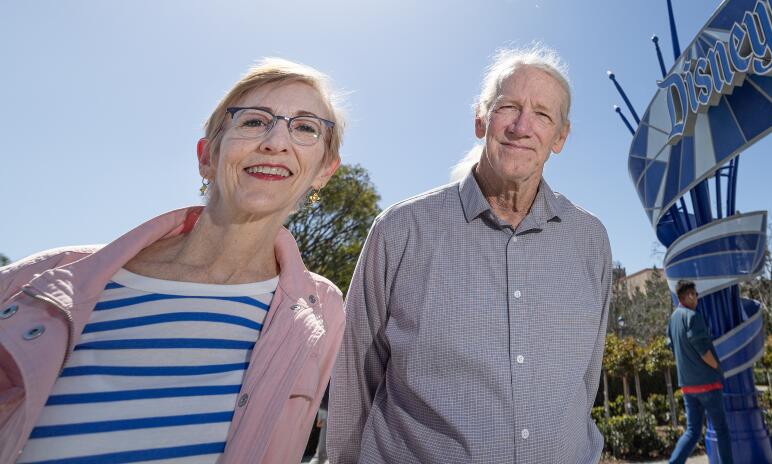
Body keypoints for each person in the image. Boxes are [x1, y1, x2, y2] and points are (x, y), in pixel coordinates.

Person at [0, 58, 347, 464]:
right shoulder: (42, 281)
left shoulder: (324, 310)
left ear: (324, 171)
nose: (276, 142)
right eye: (253, 121)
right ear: (207, 156)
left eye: (305, 127)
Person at [329, 45, 611, 464]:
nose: (522, 126)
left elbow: (586, 380)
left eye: (543, 115)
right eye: (508, 107)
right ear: (481, 118)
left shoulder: (590, 240)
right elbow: (353, 377)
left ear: (560, 137)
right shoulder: (400, 230)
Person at [666, 280, 733, 464]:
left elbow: (671, 345)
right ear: (687, 296)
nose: (697, 298)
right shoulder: (693, 317)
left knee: (692, 431)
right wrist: (718, 369)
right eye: (695, 294)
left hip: (687, 385)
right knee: (722, 430)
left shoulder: (673, 319)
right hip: (708, 383)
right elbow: (703, 351)